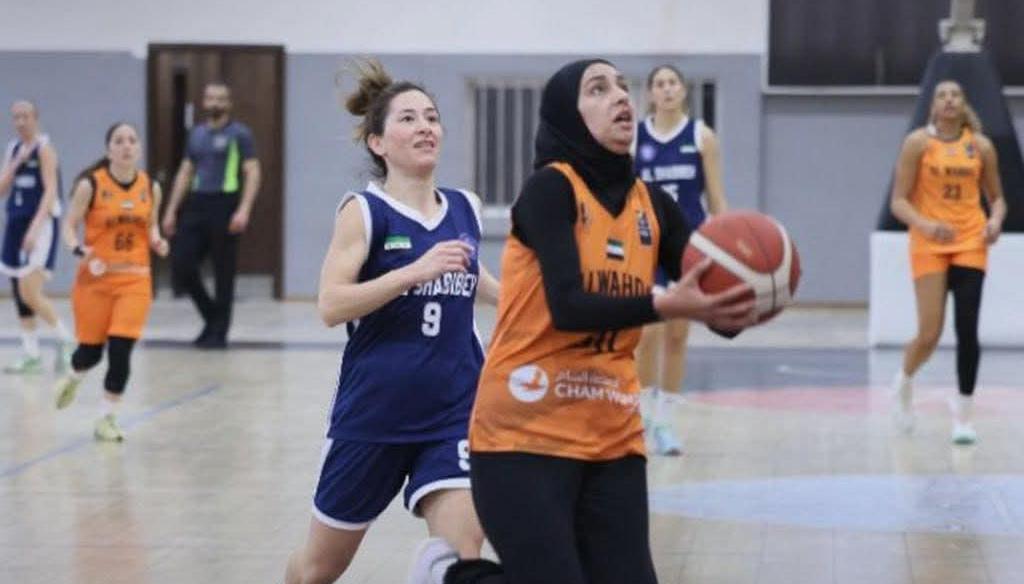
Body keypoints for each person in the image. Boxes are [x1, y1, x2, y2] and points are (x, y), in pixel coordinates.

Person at [429, 59, 756, 584]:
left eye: (623, 87)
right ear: (568, 114)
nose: (621, 97)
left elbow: (722, 316)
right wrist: (665, 304)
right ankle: (450, 576)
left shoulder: (654, 206)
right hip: (522, 431)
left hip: (611, 433)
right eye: (599, 89)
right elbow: (570, 306)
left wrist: (753, 288)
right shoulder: (549, 190)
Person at [284, 60, 500, 584]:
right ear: (378, 142)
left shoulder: (464, 208)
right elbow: (331, 304)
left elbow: (478, 279)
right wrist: (413, 272)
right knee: (317, 569)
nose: (425, 127)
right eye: (408, 118)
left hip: (452, 412)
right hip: (374, 416)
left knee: (464, 554)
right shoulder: (364, 211)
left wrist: (545, 308)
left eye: (431, 117)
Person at [890, 79, 1006, 445]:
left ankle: (964, 417)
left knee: (967, 329)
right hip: (929, 242)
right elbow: (898, 201)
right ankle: (904, 381)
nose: (949, 100)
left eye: (955, 94)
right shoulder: (918, 143)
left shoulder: (980, 146)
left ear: (963, 103)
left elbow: (997, 198)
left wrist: (995, 222)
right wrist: (925, 224)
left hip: (970, 240)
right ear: (933, 106)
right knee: (930, 333)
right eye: (942, 95)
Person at [633, 64, 729, 456]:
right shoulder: (636, 137)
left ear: (683, 91)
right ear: (651, 93)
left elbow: (717, 199)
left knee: (677, 335)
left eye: (673, 83)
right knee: (648, 334)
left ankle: (666, 422)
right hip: (646, 244)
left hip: (688, 246)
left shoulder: (702, 136)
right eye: (659, 84)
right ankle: (641, 419)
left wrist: (727, 245)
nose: (667, 89)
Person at [53, 122, 170, 441]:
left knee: (121, 350)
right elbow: (69, 225)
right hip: (96, 281)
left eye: (132, 140)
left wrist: (157, 241)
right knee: (90, 353)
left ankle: (106, 418)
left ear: (139, 148)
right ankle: (73, 376)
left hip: (135, 280)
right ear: (109, 150)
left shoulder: (151, 187)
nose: (126, 146)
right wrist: (77, 248)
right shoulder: (91, 184)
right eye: (119, 141)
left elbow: (151, 226)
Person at [161, 82, 261, 349]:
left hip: (225, 204)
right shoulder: (196, 134)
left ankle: (219, 332)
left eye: (220, 98)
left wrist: (244, 209)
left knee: (223, 272)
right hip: (197, 204)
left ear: (228, 103)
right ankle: (212, 318)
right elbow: (185, 171)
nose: (215, 102)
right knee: (182, 265)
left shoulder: (240, 134)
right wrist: (171, 210)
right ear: (204, 102)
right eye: (210, 98)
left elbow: (252, 171)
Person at [0, 100, 74, 374]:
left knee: (29, 291)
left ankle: (66, 340)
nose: (20, 122)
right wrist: (15, 163)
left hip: (40, 226)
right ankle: (31, 354)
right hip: (15, 224)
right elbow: (2, 189)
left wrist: (35, 227)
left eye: (25, 116)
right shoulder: (13, 149)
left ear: (36, 118)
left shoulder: (45, 149)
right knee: (19, 295)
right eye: (16, 117)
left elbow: (51, 191)